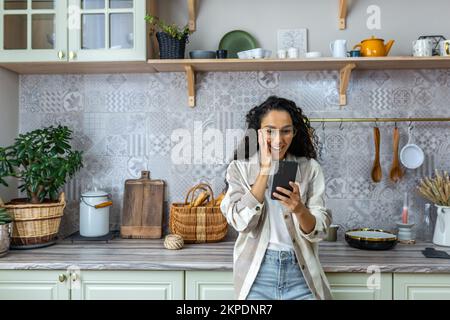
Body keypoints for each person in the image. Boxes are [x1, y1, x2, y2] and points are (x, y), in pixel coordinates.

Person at [220, 96, 333, 300]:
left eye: (286, 131)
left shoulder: (309, 169)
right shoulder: (239, 169)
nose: (279, 139)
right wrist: (264, 170)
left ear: (294, 133)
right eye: (270, 130)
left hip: (302, 276)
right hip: (257, 277)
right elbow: (240, 222)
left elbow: (319, 231)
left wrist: (299, 209)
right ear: (258, 133)